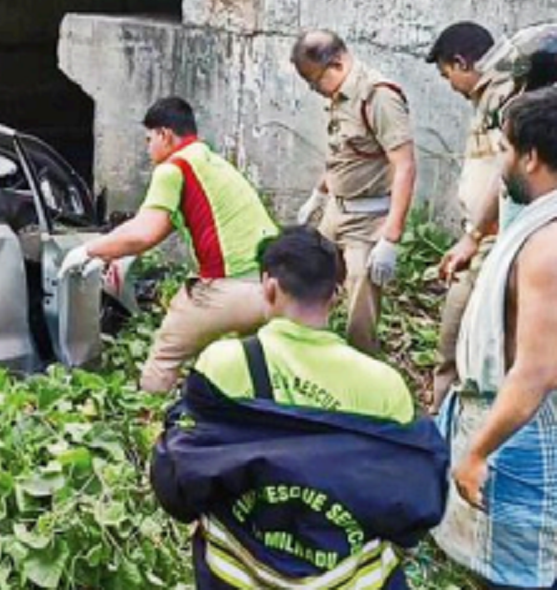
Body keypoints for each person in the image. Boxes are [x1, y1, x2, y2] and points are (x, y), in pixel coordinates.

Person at [151, 226, 448, 589]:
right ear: (336, 295)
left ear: (269, 285)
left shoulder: (223, 364)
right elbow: (414, 499)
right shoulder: (385, 385)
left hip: (238, 576)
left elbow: (180, 479)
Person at [59, 96, 278, 392]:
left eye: (149, 140)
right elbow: (159, 227)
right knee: (261, 369)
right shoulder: (210, 161)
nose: (148, 149)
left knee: (165, 357)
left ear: (165, 134)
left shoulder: (173, 168)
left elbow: (143, 233)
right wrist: (111, 249)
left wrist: (87, 250)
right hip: (274, 288)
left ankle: (152, 415)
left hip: (227, 287)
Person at [435, 86, 557, 590]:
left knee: (526, 574)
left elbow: (536, 371)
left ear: (531, 157)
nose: (501, 163)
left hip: (530, 431)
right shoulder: (534, 219)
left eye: (505, 149)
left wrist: (480, 452)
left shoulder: (549, 246)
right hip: (502, 411)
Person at [292, 30, 417, 355]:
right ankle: (309, 352)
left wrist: (391, 237)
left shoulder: (379, 98)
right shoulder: (340, 98)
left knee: (360, 301)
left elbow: (404, 166)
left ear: (334, 64)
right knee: (311, 278)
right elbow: (343, 155)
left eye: (314, 81)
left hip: (368, 218)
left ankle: (360, 369)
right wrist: (319, 195)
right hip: (336, 210)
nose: (315, 91)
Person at [425, 21, 514, 410]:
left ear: (461, 63)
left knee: (457, 339)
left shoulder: (506, 100)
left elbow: (507, 173)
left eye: (447, 75)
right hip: (481, 240)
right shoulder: (488, 99)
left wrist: (473, 236)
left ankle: (444, 430)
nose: (450, 86)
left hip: (492, 244)